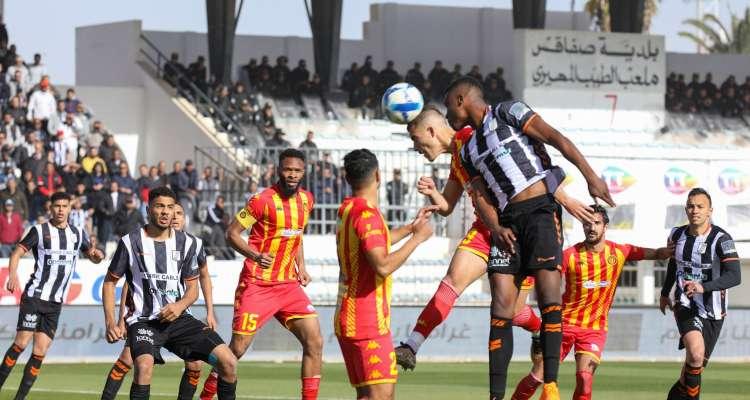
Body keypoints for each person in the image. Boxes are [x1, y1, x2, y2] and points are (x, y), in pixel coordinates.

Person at [443, 76, 614, 400]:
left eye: (448, 103)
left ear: (462, 99)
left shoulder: (509, 112)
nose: (447, 111)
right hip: (507, 223)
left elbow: (554, 137)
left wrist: (591, 177)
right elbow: (480, 196)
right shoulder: (468, 150)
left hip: (540, 213)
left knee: (549, 296)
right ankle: (495, 395)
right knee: (501, 307)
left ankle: (550, 384)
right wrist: (494, 226)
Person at [396, 107, 594, 373]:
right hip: (486, 230)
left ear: (431, 131)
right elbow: (447, 207)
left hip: (520, 227)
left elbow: (525, 170)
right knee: (452, 281)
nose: (417, 148)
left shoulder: (470, 139)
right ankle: (411, 345)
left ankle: (537, 329)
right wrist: (433, 193)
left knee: (513, 313)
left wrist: (566, 199)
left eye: (416, 140)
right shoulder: (457, 158)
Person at [511, 205, 673, 400]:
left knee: (585, 379)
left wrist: (666, 251)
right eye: (587, 223)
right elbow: (543, 276)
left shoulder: (619, 252)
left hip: (594, 329)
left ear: (605, 226)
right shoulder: (569, 255)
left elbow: (652, 254)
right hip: (563, 325)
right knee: (538, 376)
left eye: (596, 223)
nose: (591, 227)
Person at [199, 149, 322, 400]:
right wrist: (255, 255)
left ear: (304, 172)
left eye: (297, 170)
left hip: (288, 286)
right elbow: (231, 233)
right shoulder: (261, 200)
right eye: (288, 169)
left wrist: (302, 267)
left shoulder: (307, 200)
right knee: (238, 349)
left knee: (315, 342)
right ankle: (206, 395)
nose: (292, 174)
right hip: (257, 285)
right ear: (278, 170)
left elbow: (296, 236)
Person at [102, 187, 236, 399]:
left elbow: (193, 289)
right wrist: (111, 321)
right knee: (143, 366)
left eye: (170, 207)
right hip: (144, 321)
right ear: (148, 210)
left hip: (180, 319)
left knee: (227, 361)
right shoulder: (130, 242)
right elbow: (110, 282)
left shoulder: (189, 243)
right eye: (160, 206)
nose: (165, 212)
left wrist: (179, 306)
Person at [335, 148, 434, 400]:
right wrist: (417, 240)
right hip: (367, 320)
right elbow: (382, 265)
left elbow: (374, 243)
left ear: (348, 178)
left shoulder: (347, 209)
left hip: (348, 317)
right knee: (382, 396)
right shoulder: (368, 215)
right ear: (378, 175)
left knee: (366, 395)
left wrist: (411, 228)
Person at [0, 192, 104, 399]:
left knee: (40, 352)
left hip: (55, 303)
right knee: (21, 343)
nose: (60, 210)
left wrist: (97, 257)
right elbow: (17, 252)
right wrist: (12, 275)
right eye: (57, 206)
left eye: (64, 206)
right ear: (51, 208)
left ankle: (19, 398)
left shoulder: (77, 233)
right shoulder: (39, 231)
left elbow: (90, 255)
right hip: (35, 296)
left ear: (70, 209)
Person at [661, 188, 741, 400]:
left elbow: (735, 276)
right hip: (685, 303)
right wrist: (664, 292)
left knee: (691, 372)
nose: (694, 210)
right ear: (685, 209)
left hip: (714, 312)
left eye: (699, 206)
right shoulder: (676, 235)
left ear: (709, 211)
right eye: (690, 206)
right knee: (696, 354)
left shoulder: (722, 239)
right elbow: (673, 264)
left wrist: (704, 287)